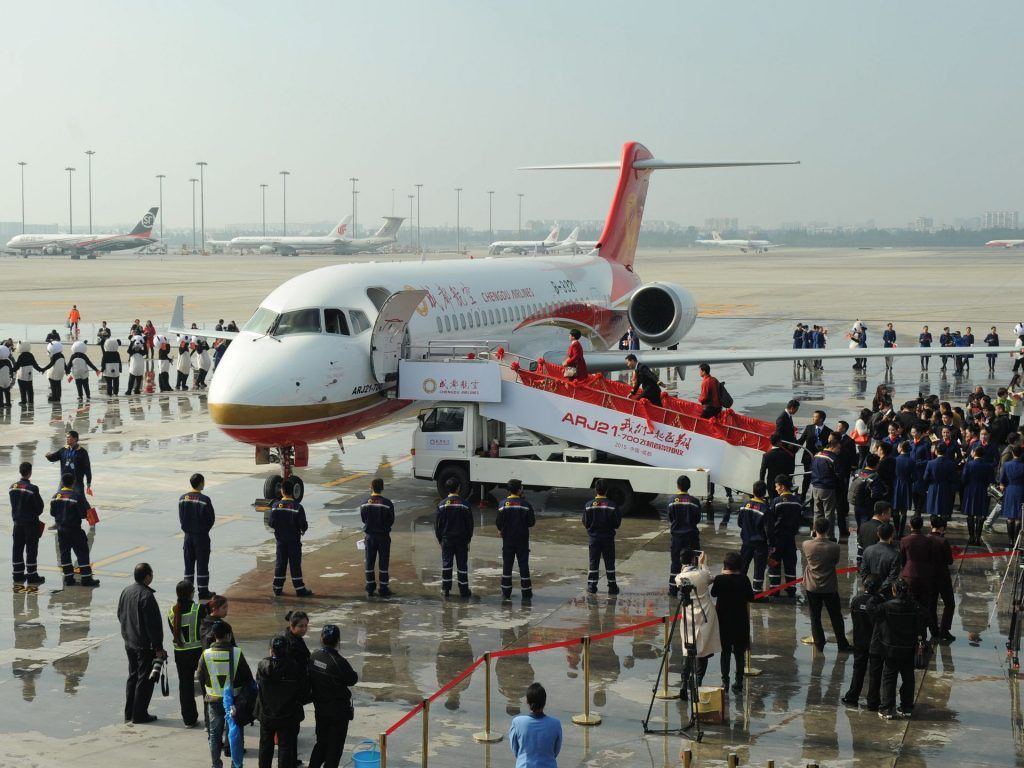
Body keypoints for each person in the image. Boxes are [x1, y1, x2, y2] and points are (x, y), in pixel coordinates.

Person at [870, 579, 926, 720]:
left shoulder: (887, 606)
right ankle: (907, 707)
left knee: (889, 678)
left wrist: (877, 594)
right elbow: (925, 619)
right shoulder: (914, 606)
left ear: (894, 591)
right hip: (908, 648)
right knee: (908, 678)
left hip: (890, 648)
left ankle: (887, 708)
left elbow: (871, 609)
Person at [200, 620, 253, 768]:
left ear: (214, 636)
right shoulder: (237, 653)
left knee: (215, 734)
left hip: (213, 700)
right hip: (234, 700)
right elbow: (247, 677)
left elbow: (200, 676)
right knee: (236, 732)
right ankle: (236, 764)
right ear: (229, 635)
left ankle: (216, 764)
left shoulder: (206, 654)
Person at [117, 562, 164, 724]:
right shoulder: (147, 596)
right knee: (144, 679)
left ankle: (129, 712)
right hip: (144, 645)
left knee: (133, 676)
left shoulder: (126, 591)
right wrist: (158, 647)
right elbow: (153, 625)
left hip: (129, 642)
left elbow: (120, 614)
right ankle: (139, 714)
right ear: (147, 577)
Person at [308, 624, 359, 768]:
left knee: (321, 743)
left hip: (320, 708)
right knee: (334, 749)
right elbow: (352, 679)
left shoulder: (314, 657)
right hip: (338, 712)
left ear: (321, 638)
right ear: (338, 641)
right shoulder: (339, 662)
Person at [802, 516, 852, 652]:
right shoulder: (834, 547)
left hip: (812, 585)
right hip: (829, 586)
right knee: (836, 616)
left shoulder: (806, 544)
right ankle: (842, 643)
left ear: (814, 529)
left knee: (815, 616)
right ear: (828, 529)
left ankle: (819, 642)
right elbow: (835, 562)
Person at [675, 550, 720, 697]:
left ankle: (684, 682)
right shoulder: (702, 574)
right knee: (703, 650)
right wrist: (703, 564)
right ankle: (698, 681)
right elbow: (711, 578)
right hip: (705, 613)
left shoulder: (679, 578)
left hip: (688, 614)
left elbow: (682, 577)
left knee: (688, 649)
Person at [255, 635, 304, 768]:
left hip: (266, 713)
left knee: (265, 745)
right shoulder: (293, 666)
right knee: (285, 747)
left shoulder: (263, 665)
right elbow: (301, 689)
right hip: (287, 714)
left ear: (271, 650)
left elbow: (258, 683)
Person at [711, 551, 754, 693]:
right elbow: (751, 597)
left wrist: (721, 574)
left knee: (725, 653)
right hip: (740, 622)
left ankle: (725, 681)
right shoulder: (744, 579)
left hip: (723, 622)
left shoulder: (719, 579)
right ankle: (739, 681)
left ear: (725, 565)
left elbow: (713, 593)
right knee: (739, 653)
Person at [166, 580, 206, 727]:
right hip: (198, 652)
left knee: (185, 686)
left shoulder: (171, 612)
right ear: (191, 593)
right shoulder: (198, 609)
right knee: (206, 684)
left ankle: (189, 719)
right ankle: (210, 717)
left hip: (180, 653)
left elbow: (174, 631)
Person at [51, 474, 99, 586]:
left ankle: (68, 578)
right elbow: (82, 514)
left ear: (62, 482)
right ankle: (86, 578)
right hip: (74, 530)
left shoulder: (55, 496)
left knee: (65, 554)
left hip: (61, 530)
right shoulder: (76, 496)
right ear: (73, 483)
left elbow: (52, 513)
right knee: (82, 552)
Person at [842, 575, 882, 707]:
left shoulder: (856, 600)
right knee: (875, 672)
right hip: (875, 642)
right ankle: (873, 701)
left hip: (859, 640)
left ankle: (852, 696)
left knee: (858, 669)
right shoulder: (880, 601)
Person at [270, 478, 313, 597]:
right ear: (293, 491)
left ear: (282, 491)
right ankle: (299, 589)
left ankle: (277, 588)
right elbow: (303, 525)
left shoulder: (275, 506)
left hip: (281, 541)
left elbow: (271, 523)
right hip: (294, 541)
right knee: (295, 565)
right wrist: (302, 529)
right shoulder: (298, 507)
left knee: (280, 563)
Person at [899, 516, 938, 639]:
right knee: (924, 604)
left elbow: (902, 559)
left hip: (909, 574)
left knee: (909, 603)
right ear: (922, 526)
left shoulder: (905, 540)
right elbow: (932, 558)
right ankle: (922, 631)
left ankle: (910, 630)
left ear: (910, 525)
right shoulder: (928, 540)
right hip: (925, 575)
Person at [496, 478, 535, 601]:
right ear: (519, 490)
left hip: (508, 540)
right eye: (522, 487)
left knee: (507, 565)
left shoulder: (502, 504)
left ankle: (506, 592)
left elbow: (498, 522)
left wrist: (501, 529)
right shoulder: (526, 505)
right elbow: (531, 522)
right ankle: (526, 592)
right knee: (523, 565)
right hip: (522, 540)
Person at [435, 476, 474, 598]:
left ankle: (445, 589)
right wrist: (468, 539)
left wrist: (440, 539)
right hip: (462, 540)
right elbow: (470, 524)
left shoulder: (442, 505)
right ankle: (464, 590)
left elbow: (437, 525)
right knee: (462, 565)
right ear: (458, 488)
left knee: (447, 564)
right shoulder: (465, 505)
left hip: (447, 539)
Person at [508, 682, 562, 768]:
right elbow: (555, 751)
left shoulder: (517, 722)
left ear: (527, 701)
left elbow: (515, 749)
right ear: (544, 702)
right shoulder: (555, 724)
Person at [180, 472, 216, 599]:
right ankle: (203, 592)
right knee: (202, 565)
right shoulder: (204, 500)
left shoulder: (182, 498)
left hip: (188, 537)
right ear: (201, 483)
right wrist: (203, 530)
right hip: (201, 537)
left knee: (188, 566)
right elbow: (211, 519)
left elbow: (181, 517)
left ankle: (187, 592)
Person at [765, 475, 802, 598]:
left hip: (777, 539)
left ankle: (774, 589)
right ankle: (791, 588)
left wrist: (769, 539)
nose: (776, 489)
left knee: (774, 564)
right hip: (790, 539)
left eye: (777, 486)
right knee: (790, 563)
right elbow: (799, 520)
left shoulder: (776, 501)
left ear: (782, 486)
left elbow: (770, 522)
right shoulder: (797, 501)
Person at [583, 479, 621, 595]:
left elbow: (586, 522)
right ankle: (612, 587)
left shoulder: (588, 505)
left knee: (593, 562)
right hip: (608, 538)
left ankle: (592, 586)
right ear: (607, 490)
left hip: (594, 538)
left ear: (596, 489)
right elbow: (616, 524)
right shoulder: (612, 506)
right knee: (609, 563)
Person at [9, 461, 45, 585]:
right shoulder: (32, 488)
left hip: (17, 523)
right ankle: (32, 574)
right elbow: (39, 508)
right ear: (30, 472)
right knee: (31, 549)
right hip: (30, 523)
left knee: (17, 548)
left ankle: (17, 574)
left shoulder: (12, 487)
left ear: (20, 471)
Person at [360, 477, 395, 597]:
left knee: (369, 562)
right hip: (383, 537)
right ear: (382, 488)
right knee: (383, 563)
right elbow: (391, 520)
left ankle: (370, 588)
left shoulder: (365, 503)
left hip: (370, 537)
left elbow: (363, 519)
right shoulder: (387, 503)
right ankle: (383, 588)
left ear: (371, 487)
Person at [667, 475, 701, 596]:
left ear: (678, 486)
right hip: (691, 537)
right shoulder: (694, 502)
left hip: (677, 537)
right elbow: (697, 519)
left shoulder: (671, 501)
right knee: (692, 564)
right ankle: (688, 591)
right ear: (689, 486)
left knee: (675, 562)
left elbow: (671, 518)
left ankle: (673, 589)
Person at [737, 481, 770, 594]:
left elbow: (740, 523)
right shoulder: (765, 509)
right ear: (764, 493)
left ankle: (740, 589)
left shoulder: (744, 506)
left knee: (743, 566)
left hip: (746, 541)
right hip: (760, 544)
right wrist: (772, 544)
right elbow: (769, 530)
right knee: (759, 568)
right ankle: (757, 591)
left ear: (753, 491)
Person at [928, 516, 955, 642]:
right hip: (942, 576)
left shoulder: (925, 539)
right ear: (942, 528)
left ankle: (933, 630)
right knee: (949, 604)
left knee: (931, 604)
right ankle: (944, 629)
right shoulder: (943, 541)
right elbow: (949, 560)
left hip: (929, 575)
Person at [962, 445, 996, 545]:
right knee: (980, 515)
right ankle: (978, 537)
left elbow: (964, 479)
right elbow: (991, 481)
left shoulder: (969, 464)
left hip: (970, 490)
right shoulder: (988, 466)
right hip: (983, 490)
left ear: (974, 453)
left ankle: (971, 537)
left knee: (970, 514)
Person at [809, 435, 841, 536]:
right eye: (838, 448)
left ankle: (815, 532)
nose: (839, 451)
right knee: (829, 513)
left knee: (817, 512)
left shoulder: (817, 455)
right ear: (832, 447)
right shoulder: (832, 458)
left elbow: (811, 468)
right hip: (827, 487)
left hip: (815, 487)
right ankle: (829, 534)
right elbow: (839, 474)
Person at [46, 429, 92, 497]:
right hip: (64, 481)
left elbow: (87, 468)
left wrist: (88, 482)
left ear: (75, 439)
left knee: (80, 500)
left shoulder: (82, 452)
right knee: (59, 498)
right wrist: (48, 456)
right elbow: (54, 458)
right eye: (66, 437)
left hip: (77, 482)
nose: (67, 439)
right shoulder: (63, 450)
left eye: (68, 437)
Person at [924, 442, 958, 519]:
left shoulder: (930, 463)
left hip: (933, 487)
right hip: (946, 488)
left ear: (936, 451)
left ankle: (934, 525)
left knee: (933, 511)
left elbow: (925, 477)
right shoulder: (951, 463)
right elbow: (954, 478)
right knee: (944, 511)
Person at [999, 445, 1024, 547]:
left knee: (1010, 517)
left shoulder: (1007, 465)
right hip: (1021, 491)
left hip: (1010, 490)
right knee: (1019, 517)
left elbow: (1002, 479)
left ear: (1012, 453)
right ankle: (1016, 541)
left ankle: (1010, 540)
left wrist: (1002, 485)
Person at [759, 434, 796, 499]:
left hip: (771, 484)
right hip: (784, 485)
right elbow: (791, 469)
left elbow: (763, 471)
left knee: (773, 501)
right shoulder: (787, 454)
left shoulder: (766, 455)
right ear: (779, 442)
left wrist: (762, 483)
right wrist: (788, 481)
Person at [857, 502, 892, 568]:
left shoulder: (863, 526)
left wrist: (859, 563)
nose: (890, 516)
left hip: (865, 565)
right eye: (889, 513)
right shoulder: (884, 529)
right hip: (879, 566)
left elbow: (860, 547)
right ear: (883, 514)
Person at [892, 441, 914, 536]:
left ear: (901, 448)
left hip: (896, 485)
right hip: (907, 485)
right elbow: (915, 476)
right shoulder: (912, 461)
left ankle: (896, 530)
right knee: (904, 511)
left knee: (895, 510)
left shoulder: (894, 460)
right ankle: (901, 532)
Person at [13, 341, 43, 407]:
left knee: (22, 388)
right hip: (29, 373)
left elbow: (17, 365)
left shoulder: (21, 356)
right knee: (30, 388)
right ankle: (31, 401)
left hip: (22, 373)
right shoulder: (30, 355)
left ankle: (23, 401)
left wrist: (12, 370)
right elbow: (35, 364)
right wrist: (40, 369)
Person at [0, 344, 12, 409]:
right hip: (7, 380)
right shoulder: (8, 361)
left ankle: (1, 404)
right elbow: (11, 370)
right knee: (7, 392)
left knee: (0, 392)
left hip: (0, 380)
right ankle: (8, 403)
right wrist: (12, 376)